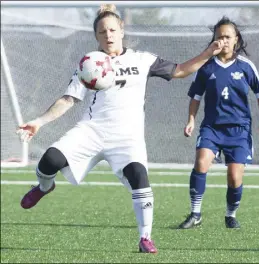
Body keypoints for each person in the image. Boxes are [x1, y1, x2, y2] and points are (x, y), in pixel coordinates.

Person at [17, 4, 224, 253]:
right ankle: (44, 187)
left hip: (127, 138)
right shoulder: (89, 63)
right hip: (91, 131)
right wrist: (38, 122)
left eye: (113, 30)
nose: (109, 35)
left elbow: (180, 70)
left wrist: (208, 53)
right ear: (96, 36)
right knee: (49, 159)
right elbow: (68, 99)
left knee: (139, 177)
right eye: (102, 32)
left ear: (122, 30)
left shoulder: (142, 60)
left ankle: (145, 238)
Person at [177, 16, 259, 230]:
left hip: (239, 130)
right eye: (219, 37)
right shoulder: (206, 67)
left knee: (234, 177)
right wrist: (191, 119)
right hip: (211, 127)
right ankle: (195, 214)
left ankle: (230, 215)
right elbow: (196, 97)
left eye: (228, 37)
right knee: (201, 162)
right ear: (214, 40)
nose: (223, 41)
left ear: (236, 39)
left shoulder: (246, 67)